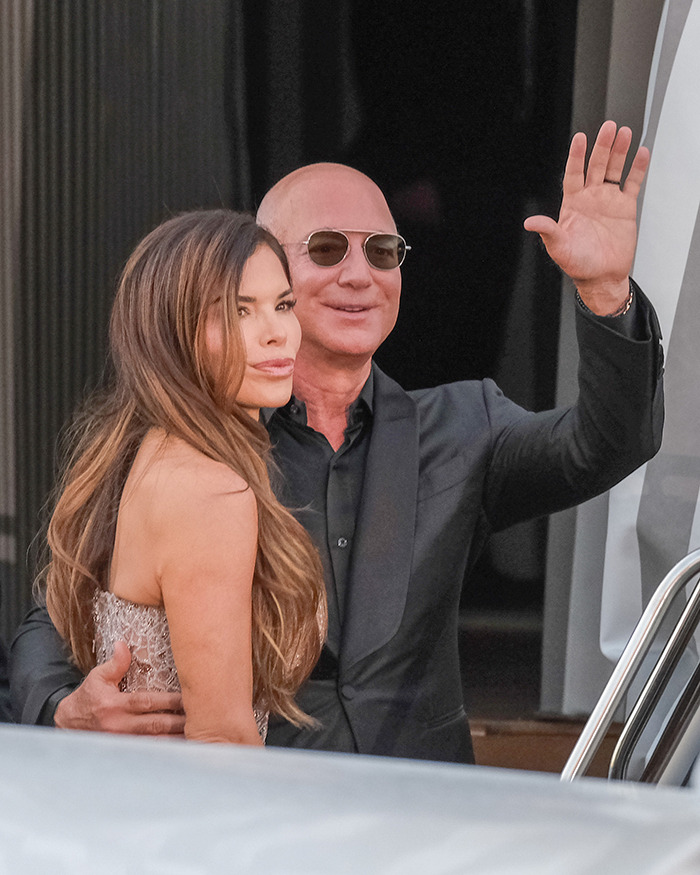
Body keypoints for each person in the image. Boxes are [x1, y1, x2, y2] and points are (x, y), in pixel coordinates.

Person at [11, 122, 663, 763]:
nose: (361, 273)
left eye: (383, 251)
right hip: (269, 813)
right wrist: (60, 706)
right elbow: (64, 601)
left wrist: (605, 293)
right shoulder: (195, 450)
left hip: (423, 819)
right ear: (260, 268)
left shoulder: (467, 423)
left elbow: (608, 443)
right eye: (327, 248)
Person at [27, 210, 326, 744]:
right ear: (171, 332)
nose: (277, 333)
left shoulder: (147, 450)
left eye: (282, 305)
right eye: (238, 311)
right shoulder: (208, 489)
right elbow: (223, 738)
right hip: (192, 814)